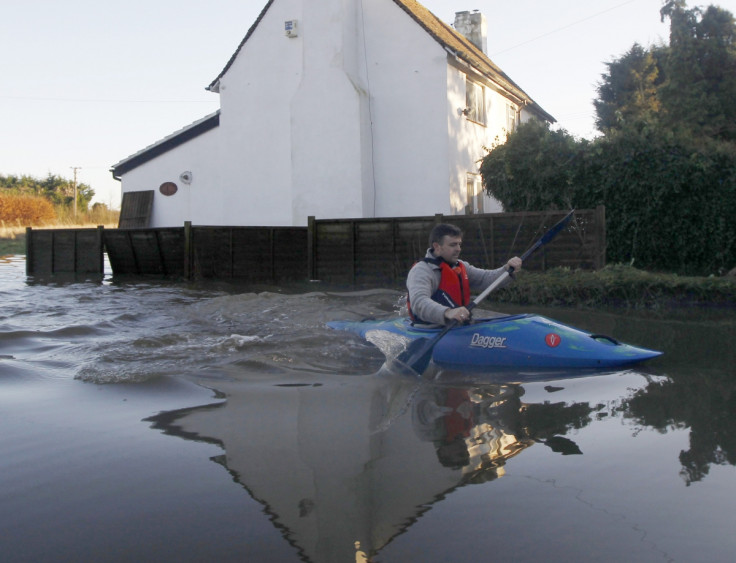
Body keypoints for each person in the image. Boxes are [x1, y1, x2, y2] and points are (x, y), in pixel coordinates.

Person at [406, 223, 522, 325]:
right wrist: (448, 312)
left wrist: (506, 269)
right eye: (453, 245)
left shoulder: (460, 266)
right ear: (437, 246)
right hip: (430, 329)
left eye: (459, 244)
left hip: (459, 328)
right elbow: (419, 302)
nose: (458, 249)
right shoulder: (421, 270)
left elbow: (485, 279)